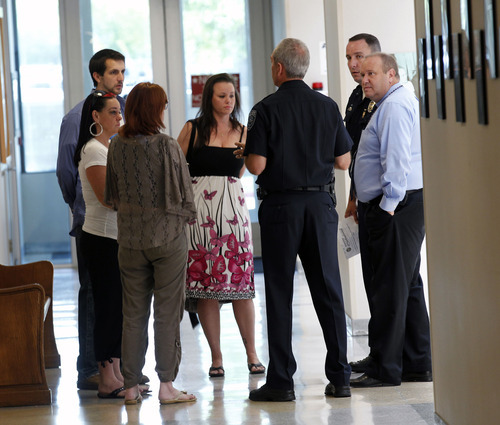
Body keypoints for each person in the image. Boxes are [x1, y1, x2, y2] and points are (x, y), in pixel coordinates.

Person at [241, 38, 353, 401]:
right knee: (328, 291)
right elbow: (343, 161)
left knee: (279, 292)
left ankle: (281, 382)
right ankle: (340, 376)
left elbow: (256, 165)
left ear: (278, 67)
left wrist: (251, 153)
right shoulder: (328, 106)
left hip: (281, 209)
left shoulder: (265, 109)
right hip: (321, 206)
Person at [105, 82, 197, 405]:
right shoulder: (166, 145)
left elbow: (111, 196)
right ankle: (167, 386)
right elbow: (184, 195)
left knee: (132, 314)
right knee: (167, 313)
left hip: (129, 239)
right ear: (153, 110)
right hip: (167, 237)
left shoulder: (116, 146)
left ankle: (130, 387)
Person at [350, 53, 432, 388]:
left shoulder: (395, 106)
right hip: (400, 206)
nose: (364, 79)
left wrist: (386, 206)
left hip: (396, 209)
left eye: (371, 73)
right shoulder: (388, 102)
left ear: (392, 74)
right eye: (363, 74)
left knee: (389, 288)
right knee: (407, 285)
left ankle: (386, 367)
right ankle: (417, 362)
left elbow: (395, 160)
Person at [176, 73, 265, 379]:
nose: (228, 101)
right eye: (221, 96)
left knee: (241, 287)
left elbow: (240, 173)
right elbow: (175, 168)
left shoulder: (243, 131)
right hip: (199, 216)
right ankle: (216, 356)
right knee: (205, 288)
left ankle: (252, 353)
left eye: (231, 96)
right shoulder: (193, 128)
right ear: (208, 99)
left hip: (234, 215)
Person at [56, 49, 126, 390]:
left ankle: (116, 367)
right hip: (93, 221)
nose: (120, 78)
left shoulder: (121, 113)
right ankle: (90, 370)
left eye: (122, 72)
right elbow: (66, 172)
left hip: (118, 226)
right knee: (95, 296)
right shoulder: (76, 118)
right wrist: (80, 204)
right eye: (113, 72)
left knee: (115, 298)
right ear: (97, 76)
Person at [73, 90, 125, 398]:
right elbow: (108, 199)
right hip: (101, 238)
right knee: (107, 308)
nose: (119, 117)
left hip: (115, 238)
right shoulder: (94, 150)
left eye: (120, 112)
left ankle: (116, 372)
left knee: (118, 309)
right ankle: (107, 378)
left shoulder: (111, 146)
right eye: (113, 112)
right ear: (96, 117)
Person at [343, 33, 381, 374]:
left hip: (387, 202)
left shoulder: (387, 99)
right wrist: (353, 197)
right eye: (349, 59)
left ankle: (396, 358)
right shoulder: (358, 97)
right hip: (365, 197)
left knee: (392, 283)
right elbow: (354, 154)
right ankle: (387, 355)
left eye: (360, 57)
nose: (355, 66)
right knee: (375, 279)